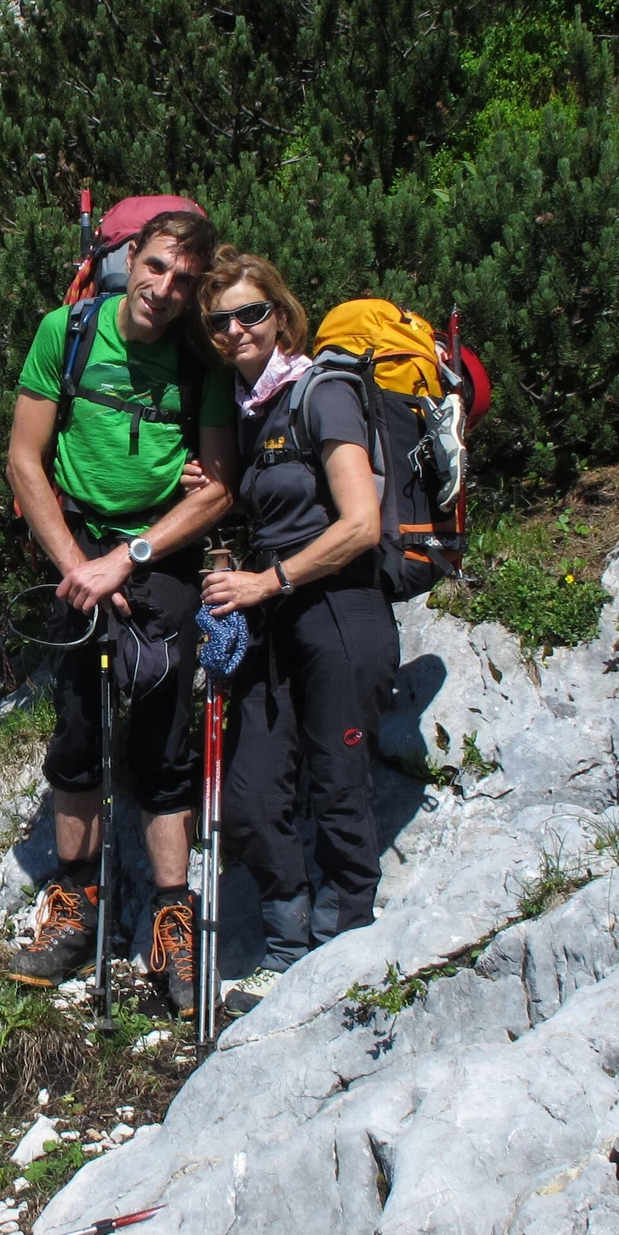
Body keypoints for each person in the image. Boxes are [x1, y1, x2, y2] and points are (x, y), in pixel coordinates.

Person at [5, 209, 237, 1015]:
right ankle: (74, 909)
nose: (165, 289)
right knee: (77, 730)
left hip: (151, 557)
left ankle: (171, 919)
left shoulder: (198, 358)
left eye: (183, 279)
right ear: (130, 257)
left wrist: (124, 562)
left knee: (166, 727)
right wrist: (78, 566)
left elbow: (219, 485)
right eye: (157, 266)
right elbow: (24, 459)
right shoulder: (65, 333)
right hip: (77, 552)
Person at [195, 249, 399, 1013]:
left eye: (252, 314)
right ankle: (287, 945)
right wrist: (232, 503)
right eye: (221, 321)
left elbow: (359, 523)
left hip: (340, 612)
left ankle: (341, 943)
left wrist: (266, 580)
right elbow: (285, 507)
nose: (238, 330)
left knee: (339, 787)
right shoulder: (252, 411)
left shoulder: (323, 393)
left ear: (281, 315)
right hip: (274, 617)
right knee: (248, 793)